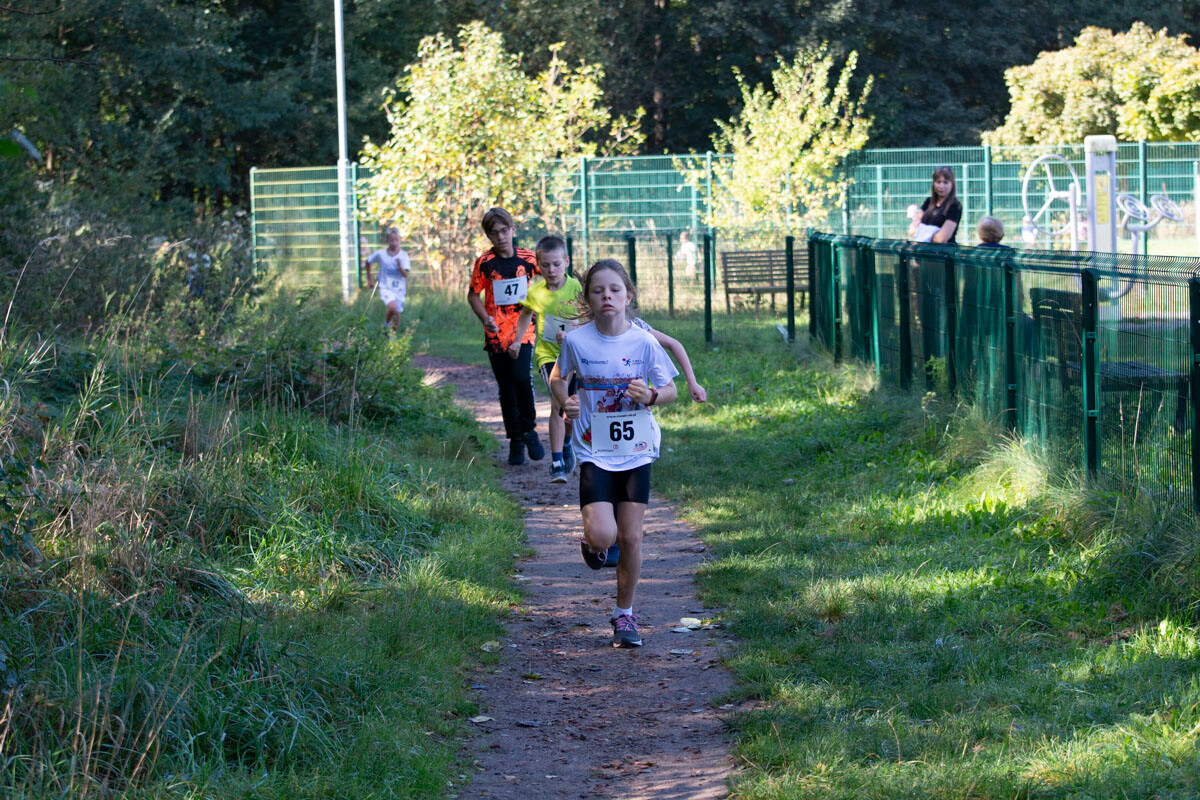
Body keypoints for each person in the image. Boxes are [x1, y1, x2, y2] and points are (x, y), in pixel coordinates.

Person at [550, 259, 679, 648]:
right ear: (588, 298)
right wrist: (565, 401)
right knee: (606, 536)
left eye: (614, 290)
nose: (607, 296)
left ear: (628, 296)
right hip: (594, 449)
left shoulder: (643, 342)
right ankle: (593, 543)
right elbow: (558, 378)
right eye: (597, 290)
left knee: (632, 536)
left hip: (637, 451)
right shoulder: (577, 341)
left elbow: (669, 389)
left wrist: (652, 396)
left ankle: (624, 615)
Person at [467, 207, 545, 465]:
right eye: (494, 233)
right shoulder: (486, 263)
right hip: (496, 335)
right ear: (488, 236)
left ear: (513, 229)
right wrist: (484, 319)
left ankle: (530, 429)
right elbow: (472, 294)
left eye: (504, 230)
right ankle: (516, 439)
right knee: (506, 387)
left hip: (523, 331)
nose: (500, 237)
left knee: (522, 377)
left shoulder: (529, 259)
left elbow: (551, 278)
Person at [510, 235, 583, 483]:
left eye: (556, 264)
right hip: (548, 356)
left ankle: (566, 442)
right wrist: (518, 340)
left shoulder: (577, 290)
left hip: (575, 357)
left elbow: (588, 319)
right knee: (557, 402)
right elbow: (525, 314)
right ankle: (556, 463)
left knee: (570, 408)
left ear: (566, 262)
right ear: (538, 266)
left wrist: (572, 334)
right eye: (545, 265)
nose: (551, 270)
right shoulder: (536, 292)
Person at [364, 227, 411, 332]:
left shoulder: (403, 256)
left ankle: (390, 336)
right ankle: (386, 329)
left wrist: (399, 266)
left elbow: (405, 274)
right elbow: (368, 261)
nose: (394, 243)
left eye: (396, 240)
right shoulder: (381, 254)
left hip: (399, 289)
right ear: (387, 241)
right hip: (385, 287)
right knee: (393, 307)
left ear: (400, 240)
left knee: (397, 313)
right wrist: (369, 279)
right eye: (391, 240)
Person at [908, 167, 962, 245]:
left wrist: (921, 234)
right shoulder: (928, 202)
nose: (941, 186)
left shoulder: (955, 206)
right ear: (934, 183)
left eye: (945, 182)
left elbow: (941, 238)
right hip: (922, 253)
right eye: (938, 182)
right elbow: (912, 231)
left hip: (943, 254)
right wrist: (931, 235)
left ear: (952, 184)